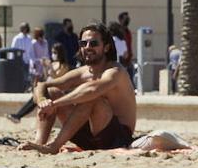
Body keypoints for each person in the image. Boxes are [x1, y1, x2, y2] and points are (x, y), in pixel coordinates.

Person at [20, 23, 137, 153]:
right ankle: (39, 143)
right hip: (88, 139)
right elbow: (42, 85)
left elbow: (92, 90)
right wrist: (43, 101)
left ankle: (53, 146)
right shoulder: (83, 72)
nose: (87, 47)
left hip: (116, 138)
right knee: (52, 92)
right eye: (83, 44)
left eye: (93, 43)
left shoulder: (115, 71)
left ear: (106, 47)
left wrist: (54, 104)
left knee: (92, 99)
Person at [7, 42, 71, 123]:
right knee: (34, 99)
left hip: (55, 91)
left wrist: (50, 66)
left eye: (55, 52)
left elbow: (57, 78)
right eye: (52, 52)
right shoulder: (53, 63)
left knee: (35, 100)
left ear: (60, 53)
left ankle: (19, 116)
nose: (53, 55)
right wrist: (44, 66)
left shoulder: (64, 66)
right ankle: (18, 115)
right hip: (47, 88)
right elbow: (46, 77)